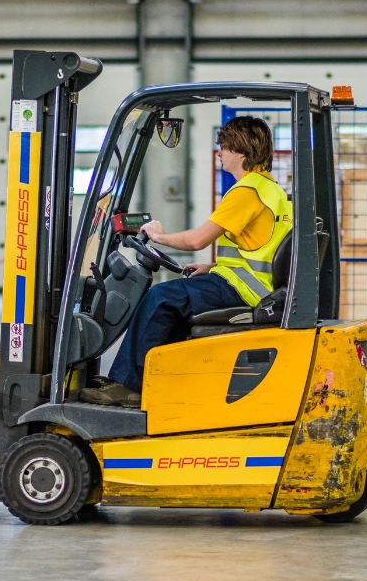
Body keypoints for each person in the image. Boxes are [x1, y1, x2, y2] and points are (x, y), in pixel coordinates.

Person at [80, 115, 294, 408]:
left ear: (241, 152)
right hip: (248, 284)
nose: (219, 153)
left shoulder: (247, 190)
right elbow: (258, 249)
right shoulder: (271, 189)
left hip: (244, 289)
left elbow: (196, 240)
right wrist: (212, 267)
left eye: (225, 148)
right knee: (176, 299)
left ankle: (128, 386)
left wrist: (159, 236)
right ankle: (153, 380)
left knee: (159, 297)